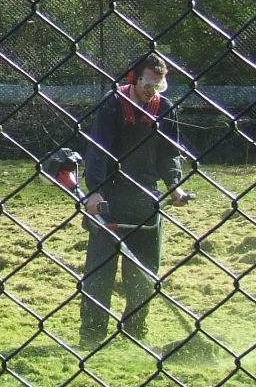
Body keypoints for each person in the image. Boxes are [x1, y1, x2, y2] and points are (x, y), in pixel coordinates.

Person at [79, 53, 190, 348]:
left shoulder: (164, 108)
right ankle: (91, 336)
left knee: (143, 272)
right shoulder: (113, 104)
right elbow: (98, 149)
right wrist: (96, 190)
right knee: (100, 272)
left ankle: (134, 333)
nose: (151, 89)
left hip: (147, 198)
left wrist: (174, 187)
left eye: (157, 84)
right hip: (109, 198)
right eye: (146, 82)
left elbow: (169, 153)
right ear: (134, 78)